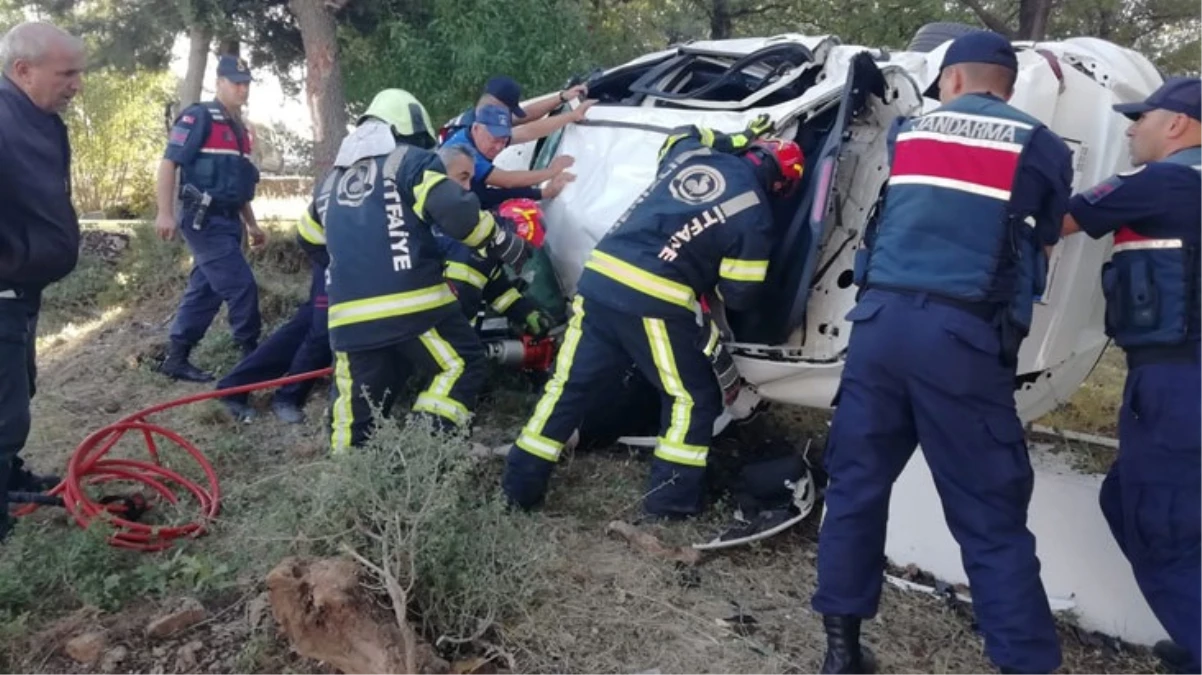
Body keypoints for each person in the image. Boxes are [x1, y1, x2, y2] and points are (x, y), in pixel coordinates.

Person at [809, 31, 1075, 675]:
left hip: (877, 327)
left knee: (855, 489)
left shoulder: (911, 133)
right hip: (962, 338)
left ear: (952, 79)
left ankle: (841, 653)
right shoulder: (1039, 145)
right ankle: (1026, 663)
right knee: (990, 515)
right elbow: (1042, 240)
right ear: (1006, 84)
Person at [501, 113, 805, 519]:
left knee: (568, 387)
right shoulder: (755, 212)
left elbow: (684, 131)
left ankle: (518, 486)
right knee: (690, 398)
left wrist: (738, 135)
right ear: (780, 184)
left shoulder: (687, 156)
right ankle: (669, 503)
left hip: (599, 279)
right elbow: (741, 293)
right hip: (655, 301)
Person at [1060, 76, 1202, 675]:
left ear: (1176, 124)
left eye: (1141, 117)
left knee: (1161, 531)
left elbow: (1059, 220)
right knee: (1125, 500)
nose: (1130, 128)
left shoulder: (1167, 180)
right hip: (1180, 382)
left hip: (1178, 385)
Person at [321, 88, 532, 453]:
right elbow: (454, 209)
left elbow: (309, 237)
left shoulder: (329, 183)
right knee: (462, 365)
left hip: (347, 317)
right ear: (409, 130)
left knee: (354, 405)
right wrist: (501, 241)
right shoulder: (408, 161)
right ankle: (422, 453)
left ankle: (345, 482)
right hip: (413, 304)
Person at [0, 21, 86, 541]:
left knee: (19, 387)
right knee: (4, 414)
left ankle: (9, 479)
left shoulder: (39, 119)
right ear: (23, 70)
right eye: (67, 73)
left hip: (23, 289)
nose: (76, 84)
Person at [154, 54, 266, 383]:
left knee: (205, 289)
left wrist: (252, 223)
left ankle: (176, 358)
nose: (242, 89)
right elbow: (169, 163)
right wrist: (165, 212)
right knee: (241, 287)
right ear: (219, 83)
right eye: (235, 83)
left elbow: (240, 184)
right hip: (203, 220)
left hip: (230, 221)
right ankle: (251, 358)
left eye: (246, 84)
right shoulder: (199, 117)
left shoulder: (242, 131)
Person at [213, 202, 331, 424]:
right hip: (336, 257)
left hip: (350, 258)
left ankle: (233, 387)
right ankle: (289, 397)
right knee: (324, 329)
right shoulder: (349, 178)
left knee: (306, 325)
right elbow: (309, 227)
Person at [437, 194, 555, 338]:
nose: (523, 258)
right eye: (526, 250)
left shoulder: (483, 252)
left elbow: (498, 290)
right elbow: (456, 325)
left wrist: (527, 313)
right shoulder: (470, 265)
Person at [441, 103, 578, 209]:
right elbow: (508, 181)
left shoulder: (483, 137)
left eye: (504, 140)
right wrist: (551, 172)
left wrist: (571, 115)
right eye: (494, 140)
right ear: (476, 128)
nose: (499, 147)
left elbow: (529, 132)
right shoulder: (464, 154)